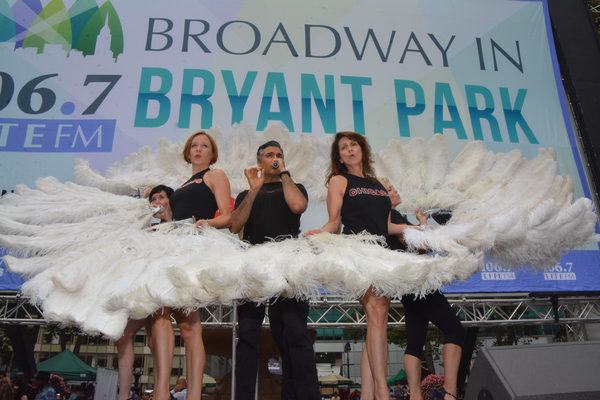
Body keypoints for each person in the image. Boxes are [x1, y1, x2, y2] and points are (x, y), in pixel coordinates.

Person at [305, 132, 424, 400]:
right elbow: (334, 221)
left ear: (362, 149)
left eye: (353, 145)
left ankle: (372, 392)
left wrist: (415, 229)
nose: (350, 150)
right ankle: (382, 392)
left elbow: (386, 225)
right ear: (339, 156)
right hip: (358, 250)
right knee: (377, 313)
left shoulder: (377, 184)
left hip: (383, 253)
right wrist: (322, 234)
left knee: (378, 318)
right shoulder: (339, 180)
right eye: (344, 148)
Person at [230, 140, 320, 400]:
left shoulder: (292, 186)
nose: (275, 158)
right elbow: (235, 226)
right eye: (269, 155)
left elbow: (298, 206)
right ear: (259, 162)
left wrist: (283, 174)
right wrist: (254, 190)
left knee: (296, 336)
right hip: (254, 266)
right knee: (247, 337)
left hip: (288, 265)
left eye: (279, 155)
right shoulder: (246, 193)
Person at [151, 131, 231, 400]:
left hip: (193, 250)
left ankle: (193, 395)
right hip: (171, 248)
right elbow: (172, 219)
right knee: (160, 316)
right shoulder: (182, 185)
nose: (198, 149)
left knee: (189, 326)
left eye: (204, 146)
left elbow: (227, 216)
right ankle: (161, 392)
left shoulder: (214, 175)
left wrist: (207, 223)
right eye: (194, 145)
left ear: (212, 153)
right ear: (187, 152)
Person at [382, 180, 464, 400]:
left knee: (415, 344)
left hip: (407, 287)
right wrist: (434, 236)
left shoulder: (386, 218)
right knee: (455, 331)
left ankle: (416, 396)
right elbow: (414, 247)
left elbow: (409, 248)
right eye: (390, 190)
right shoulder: (393, 216)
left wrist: (423, 223)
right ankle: (450, 392)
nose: (396, 190)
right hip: (420, 284)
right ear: (381, 196)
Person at [116, 184, 173, 400]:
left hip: (162, 290)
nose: (157, 201)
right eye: (154, 198)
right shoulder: (150, 227)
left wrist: (167, 217)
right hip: (143, 289)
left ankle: (161, 392)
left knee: (151, 342)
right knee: (127, 338)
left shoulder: (178, 225)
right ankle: (125, 396)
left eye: (162, 197)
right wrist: (142, 202)